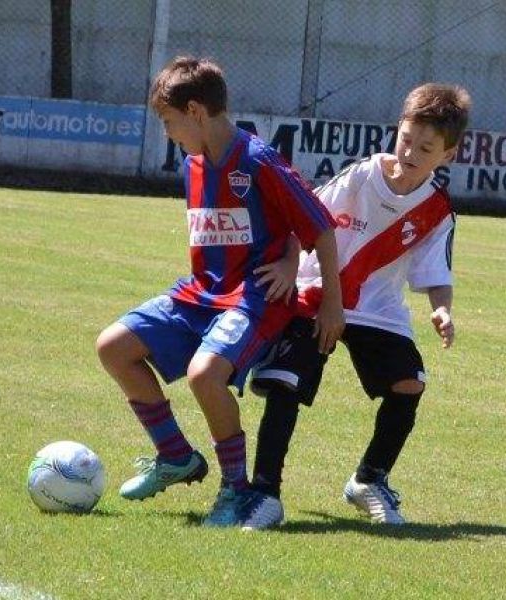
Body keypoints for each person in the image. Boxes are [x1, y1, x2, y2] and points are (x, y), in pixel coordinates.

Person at [95, 56, 344, 528]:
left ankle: (237, 491)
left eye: (169, 122)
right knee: (113, 346)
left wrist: (329, 300)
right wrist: (289, 249)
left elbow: (318, 225)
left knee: (205, 375)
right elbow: (270, 220)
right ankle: (175, 457)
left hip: (254, 298)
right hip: (200, 294)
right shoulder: (192, 165)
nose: (167, 133)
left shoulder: (258, 160)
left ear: (195, 111)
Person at [242, 83, 472, 530]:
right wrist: (292, 267)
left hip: (377, 309)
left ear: (448, 154)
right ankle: (265, 494)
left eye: (426, 148)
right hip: (317, 291)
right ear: (397, 131)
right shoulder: (359, 177)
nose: (410, 152)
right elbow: (303, 217)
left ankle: (369, 480)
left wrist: (442, 309)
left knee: (409, 383)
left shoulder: (437, 212)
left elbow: (436, 274)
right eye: (406, 139)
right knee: (286, 381)